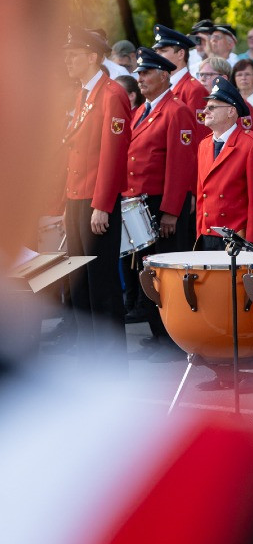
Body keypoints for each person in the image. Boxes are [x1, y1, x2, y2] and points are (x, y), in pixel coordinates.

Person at [62, 27, 131, 367]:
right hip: (77, 198)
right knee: (80, 281)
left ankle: (110, 362)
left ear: (92, 57)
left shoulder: (112, 93)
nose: (67, 61)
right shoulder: (84, 94)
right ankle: (88, 355)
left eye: (73, 55)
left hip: (95, 201)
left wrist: (102, 205)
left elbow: (112, 155)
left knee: (101, 282)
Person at [124, 47, 197, 348]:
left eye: (146, 73)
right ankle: (158, 333)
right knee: (149, 271)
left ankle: (172, 339)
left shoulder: (177, 110)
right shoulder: (142, 111)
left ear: (164, 75)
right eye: (138, 73)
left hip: (160, 203)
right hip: (140, 203)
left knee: (166, 272)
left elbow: (180, 165)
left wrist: (171, 210)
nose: (140, 78)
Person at [196, 77, 253, 250]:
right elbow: (202, 196)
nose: (205, 111)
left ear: (231, 111)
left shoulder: (252, 144)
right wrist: (199, 234)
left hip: (237, 238)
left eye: (212, 107)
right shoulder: (204, 144)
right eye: (206, 106)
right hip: (208, 234)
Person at [152, 23, 210, 138]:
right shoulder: (159, 87)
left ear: (180, 54)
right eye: (156, 52)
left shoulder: (194, 90)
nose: (157, 56)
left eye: (163, 51)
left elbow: (199, 135)